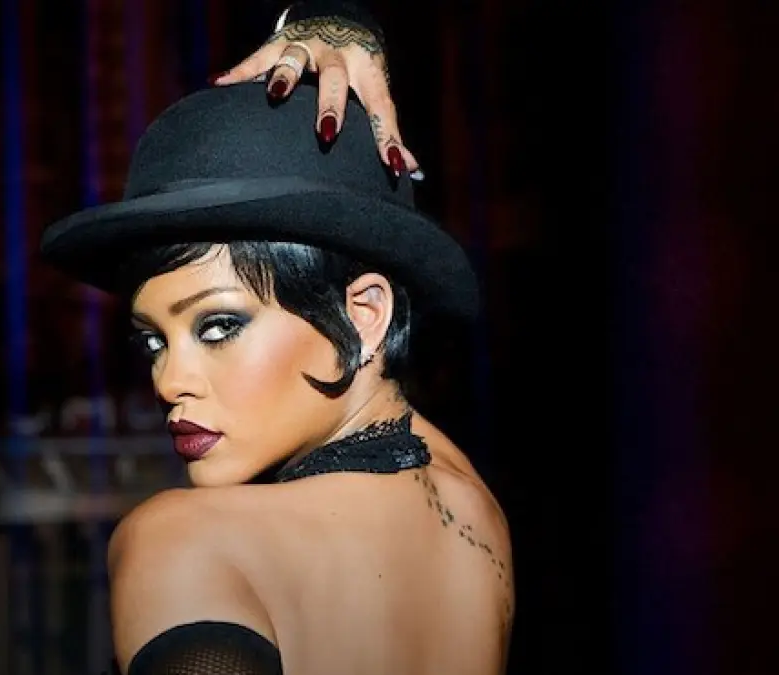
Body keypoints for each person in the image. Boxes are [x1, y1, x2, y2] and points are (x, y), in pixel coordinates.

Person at [41, 3, 513, 673]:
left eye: (219, 326)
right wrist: (339, 22)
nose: (169, 381)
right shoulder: (474, 514)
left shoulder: (189, 542)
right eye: (153, 341)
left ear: (365, 313)